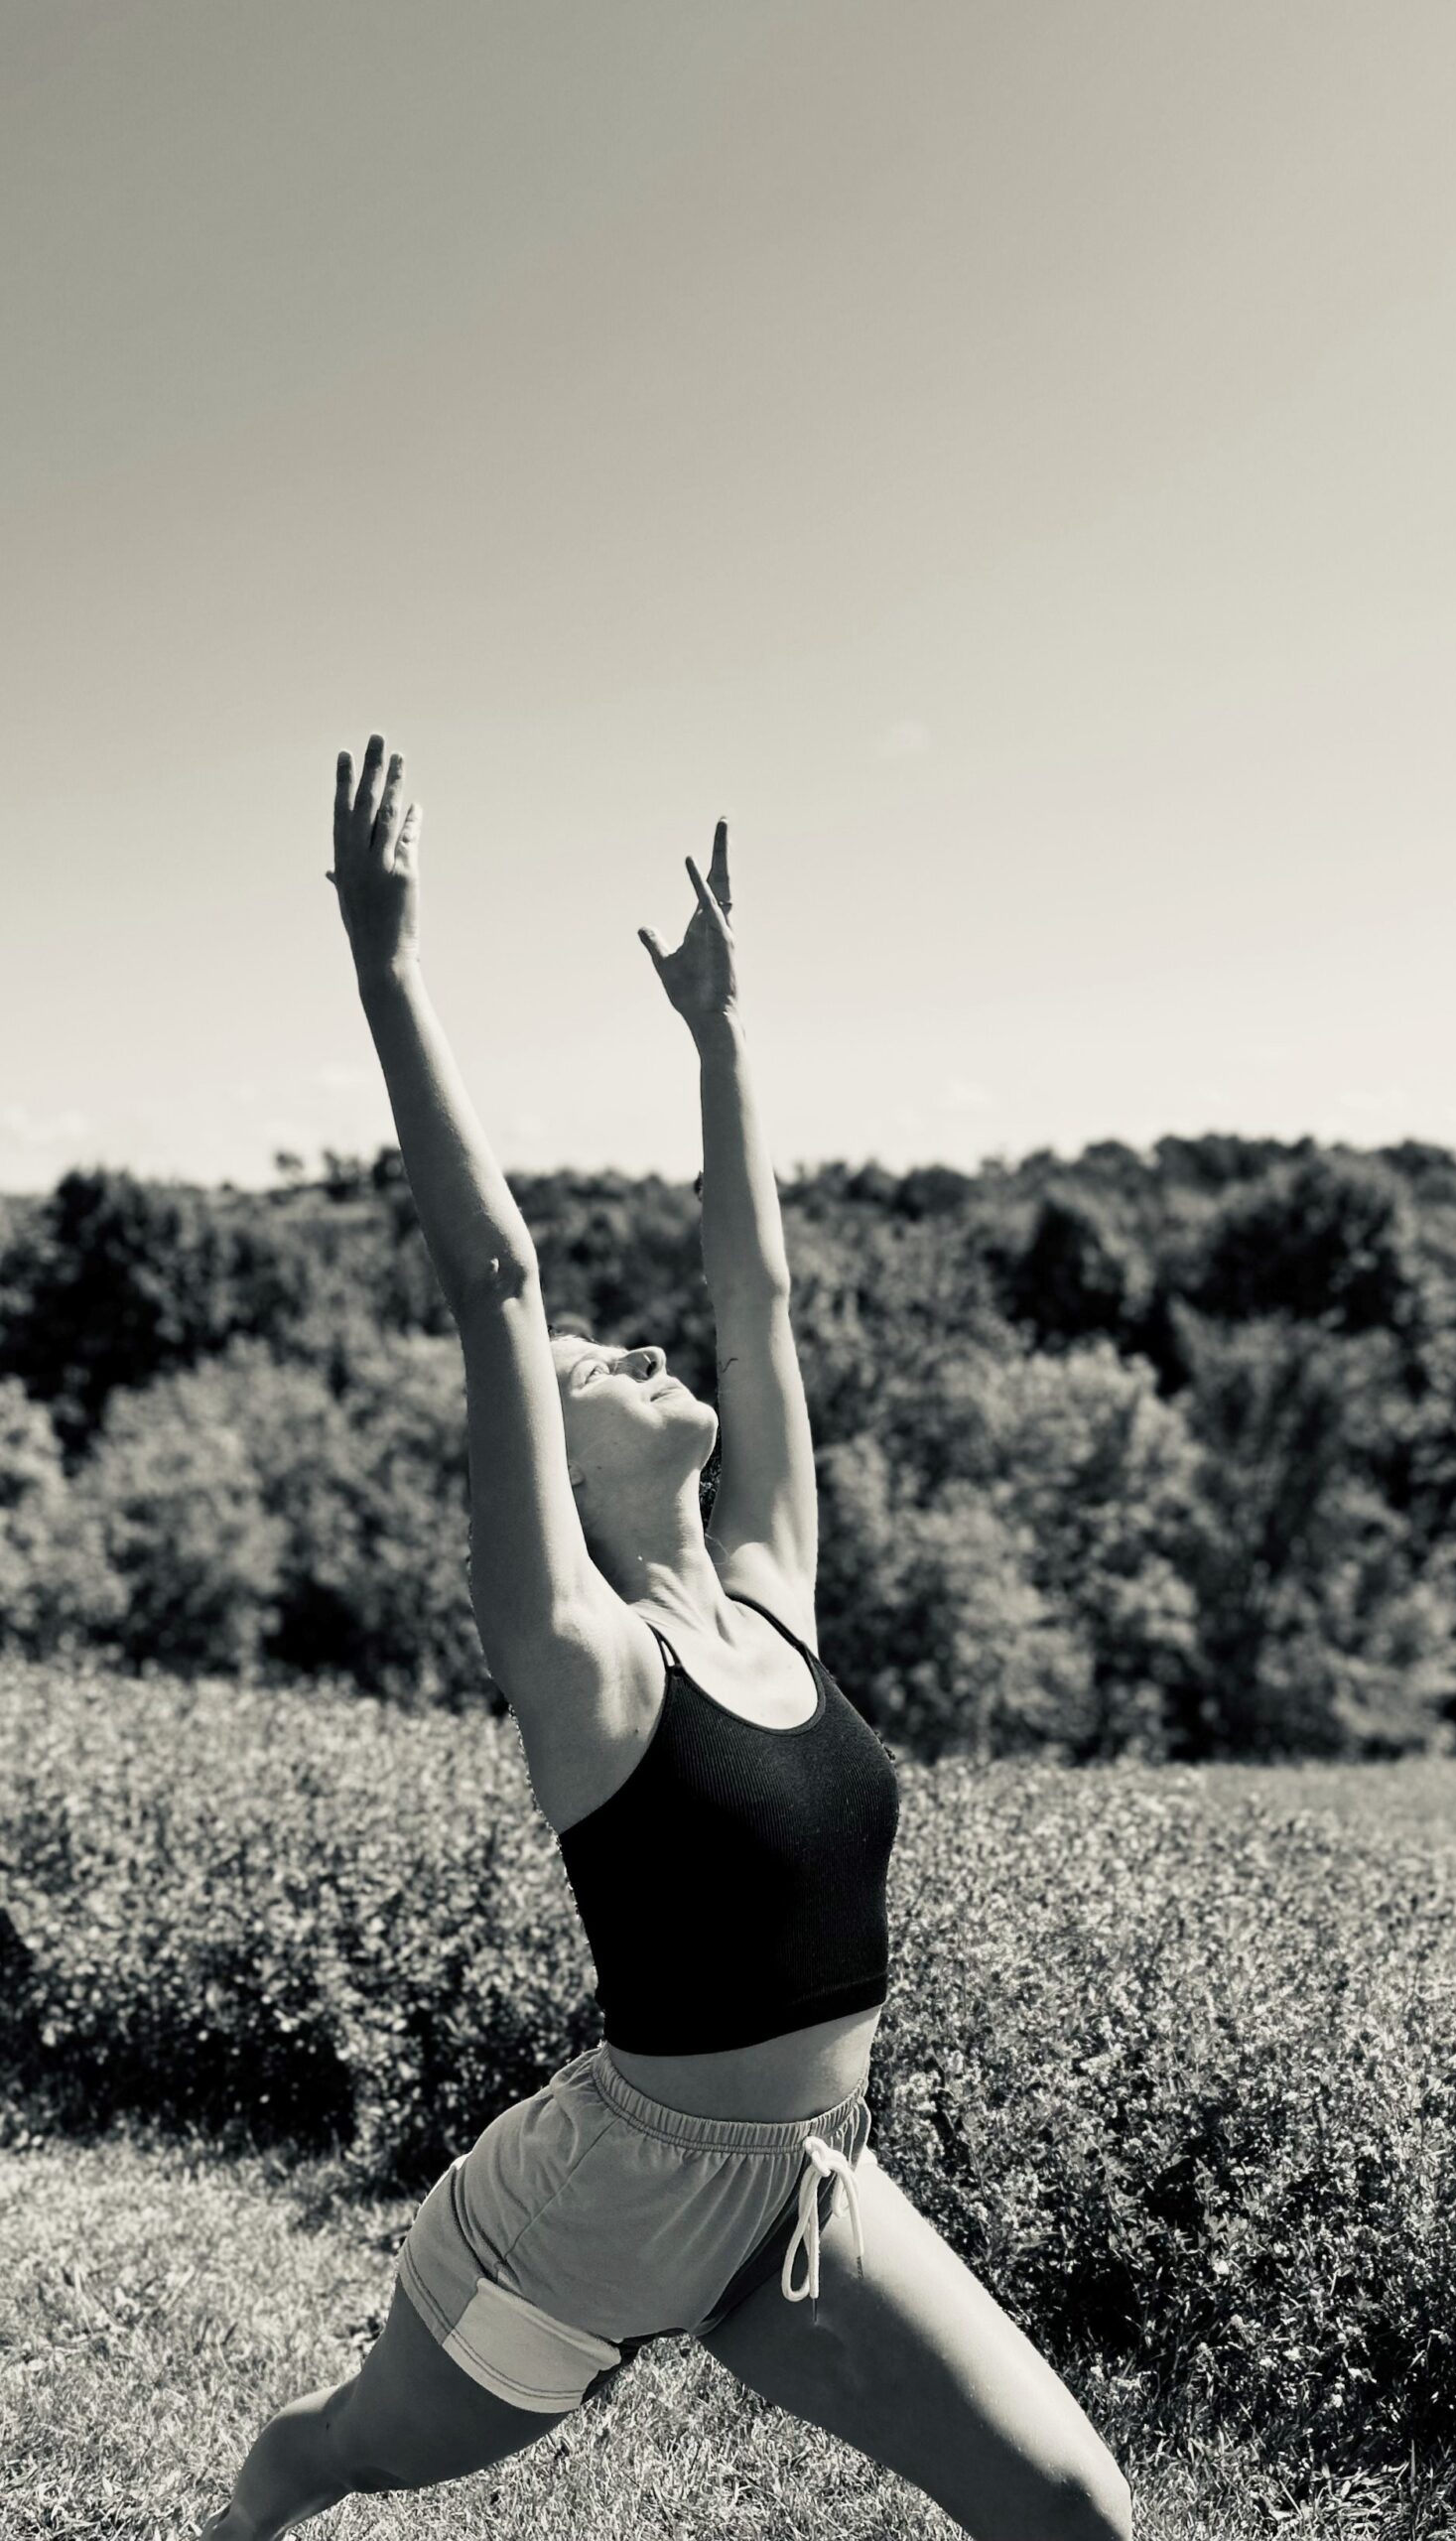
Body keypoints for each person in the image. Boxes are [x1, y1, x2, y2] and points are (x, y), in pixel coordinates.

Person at [198, 737, 1132, 2541]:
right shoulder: (587, 1666)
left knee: (1082, 2514)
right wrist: (386, 963)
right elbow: (499, 1280)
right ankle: (245, 2512)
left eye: (640, 1348)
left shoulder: (775, 1591)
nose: (638, 1350)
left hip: (802, 2193)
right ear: (553, 1454)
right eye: (597, 1369)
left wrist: (720, 1032)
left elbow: (756, 1290)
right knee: (344, 2453)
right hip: (594, 2213)